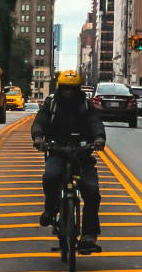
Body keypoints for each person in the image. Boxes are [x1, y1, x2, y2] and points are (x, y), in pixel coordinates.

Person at [32, 70, 106, 250]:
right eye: (66, 89)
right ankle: (51, 209)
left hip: (82, 153)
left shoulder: (86, 106)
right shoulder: (51, 105)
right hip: (57, 151)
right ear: (60, 88)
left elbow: (95, 123)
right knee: (50, 177)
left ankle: (89, 235)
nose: (69, 93)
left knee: (92, 192)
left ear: (78, 89)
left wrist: (99, 138)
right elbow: (39, 122)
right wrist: (39, 138)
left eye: (73, 89)